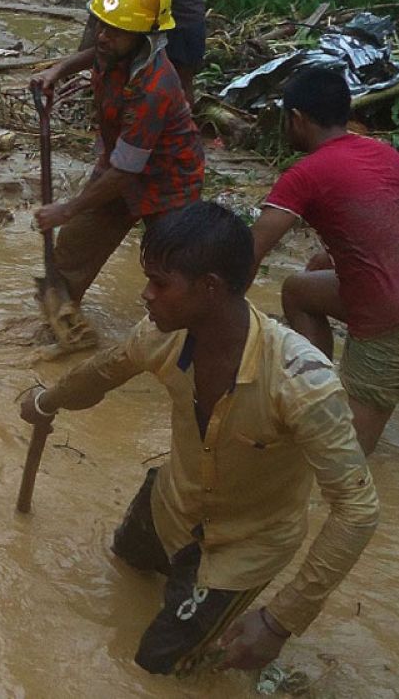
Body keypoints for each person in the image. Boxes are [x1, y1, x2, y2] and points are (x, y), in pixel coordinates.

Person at [19, 202, 378, 676]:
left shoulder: (303, 383)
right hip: (170, 502)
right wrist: (49, 400)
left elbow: (357, 510)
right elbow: (103, 373)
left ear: (210, 288)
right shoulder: (160, 335)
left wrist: (279, 621)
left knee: (156, 668)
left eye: (160, 283)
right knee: (125, 564)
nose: (145, 295)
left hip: (241, 547)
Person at [250, 66, 399, 453]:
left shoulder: (305, 173)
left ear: (296, 119)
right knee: (298, 289)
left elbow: (253, 250)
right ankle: (316, 387)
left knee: (340, 457)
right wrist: (327, 258)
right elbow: (391, 226)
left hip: (396, 323)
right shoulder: (383, 153)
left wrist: (210, 321)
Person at [33, 0, 204, 314]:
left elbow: (126, 171)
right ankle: (59, 319)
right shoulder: (115, 47)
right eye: (100, 25)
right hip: (118, 165)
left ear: (143, 37)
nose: (103, 36)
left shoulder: (154, 88)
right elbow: (96, 53)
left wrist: (65, 209)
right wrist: (58, 70)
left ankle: (180, 338)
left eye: (116, 31)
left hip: (167, 182)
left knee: (170, 267)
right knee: (75, 244)